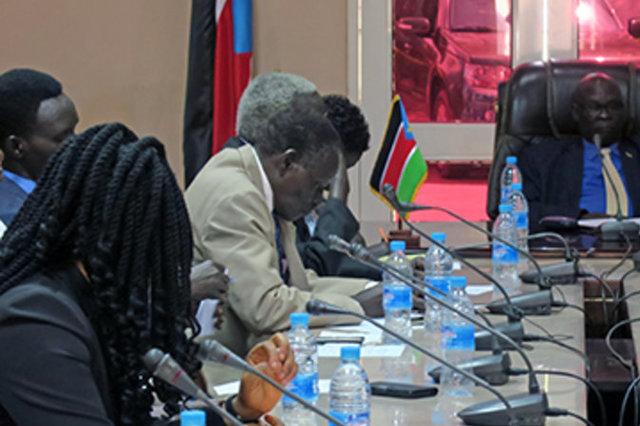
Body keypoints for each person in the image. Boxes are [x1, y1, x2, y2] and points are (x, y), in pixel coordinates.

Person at [0, 123, 295, 426]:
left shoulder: (92, 301)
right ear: (118, 240)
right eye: (154, 251)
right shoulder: (35, 318)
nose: (159, 270)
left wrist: (236, 411)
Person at [186, 73, 383, 356]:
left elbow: (300, 284)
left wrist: (379, 290)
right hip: (220, 369)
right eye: (317, 187)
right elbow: (265, 308)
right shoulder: (237, 196)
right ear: (287, 162)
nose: (318, 200)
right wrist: (359, 307)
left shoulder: (267, 183)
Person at [518, 72, 640, 232]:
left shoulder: (636, 153)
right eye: (595, 107)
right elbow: (521, 209)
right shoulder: (542, 157)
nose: (605, 115)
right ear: (576, 113)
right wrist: (579, 219)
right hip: (572, 243)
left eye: (613, 106)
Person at [293, 94, 381, 280]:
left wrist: (386, 263)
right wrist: (337, 199)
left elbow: (336, 258)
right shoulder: (281, 200)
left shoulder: (316, 205)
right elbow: (314, 267)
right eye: (336, 170)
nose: (333, 182)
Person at [0, 68, 79, 225]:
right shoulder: (10, 221)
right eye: (61, 138)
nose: (76, 144)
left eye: (74, 131)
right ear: (16, 147)